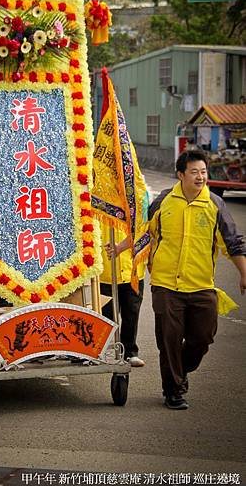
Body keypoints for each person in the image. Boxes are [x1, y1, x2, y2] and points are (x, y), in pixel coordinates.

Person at [107, 150, 246, 411]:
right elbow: (145, 231)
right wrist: (121, 247)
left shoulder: (215, 204)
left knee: (203, 338)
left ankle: (179, 370)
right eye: (194, 172)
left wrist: (243, 272)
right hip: (166, 285)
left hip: (202, 285)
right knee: (169, 340)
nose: (200, 177)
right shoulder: (164, 201)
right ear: (181, 175)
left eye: (203, 172)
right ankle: (174, 390)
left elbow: (232, 242)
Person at [100, 224, 145, 367]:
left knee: (131, 313)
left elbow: (144, 231)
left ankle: (130, 353)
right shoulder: (98, 203)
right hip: (106, 272)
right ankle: (102, 350)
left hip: (132, 270)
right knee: (106, 315)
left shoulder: (136, 205)